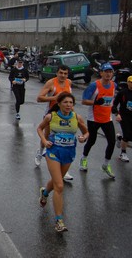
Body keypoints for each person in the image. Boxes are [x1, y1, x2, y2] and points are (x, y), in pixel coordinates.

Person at [37, 92, 88, 233]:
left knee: (55, 182)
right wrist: (44, 140)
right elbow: (39, 128)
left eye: (71, 103)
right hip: (53, 152)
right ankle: (59, 221)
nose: (68, 105)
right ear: (58, 104)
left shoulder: (77, 117)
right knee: (59, 185)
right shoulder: (51, 116)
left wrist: (84, 137)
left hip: (69, 153)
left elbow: (86, 132)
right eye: (65, 102)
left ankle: (45, 192)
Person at [36, 64, 75, 181]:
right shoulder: (51, 83)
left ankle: (64, 170)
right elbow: (39, 98)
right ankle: (40, 152)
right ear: (57, 73)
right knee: (47, 139)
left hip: (65, 117)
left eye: (65, 73)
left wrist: (72, 112)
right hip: (51, 115)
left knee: (64, 142)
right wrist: (54, 98)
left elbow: (70, 99)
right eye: (61, 73)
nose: (63, 75)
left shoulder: (69, 83)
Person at [80, 63, 117, 179]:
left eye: (110, 72)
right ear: (101, 73)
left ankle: (106, 164)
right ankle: (84, 159)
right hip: (94, 118)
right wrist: (95, 102)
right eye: (106, 71)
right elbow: (84, 101)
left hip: (107, 118)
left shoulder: (114, 85)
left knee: (112, 141)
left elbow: (111, 100)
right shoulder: (93, 86)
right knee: (91, 141)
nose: (108, 74)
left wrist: (114, 109)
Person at [113, 76, 132, 162]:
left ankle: (120, 138)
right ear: (128, 83)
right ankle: (123, 153)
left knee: (129, 136)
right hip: (124, 116)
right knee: (127, 134)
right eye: (131, 82)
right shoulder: (123, 93)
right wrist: (117, 114)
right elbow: (114, 105)